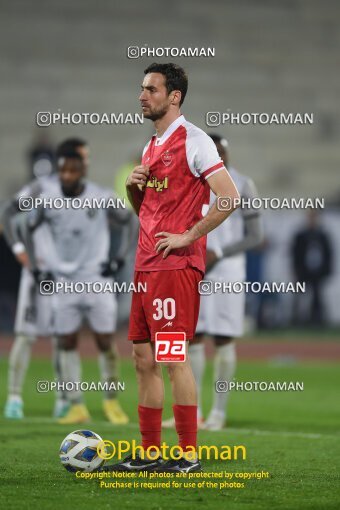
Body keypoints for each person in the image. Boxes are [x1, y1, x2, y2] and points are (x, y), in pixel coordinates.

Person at [103, 63, 240, 473]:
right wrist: (132, 190)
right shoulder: (151, 145)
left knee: (173, 356)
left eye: (151, 89)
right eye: (141, 89)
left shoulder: (194, 141)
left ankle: (187, 454)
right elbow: (147, 213)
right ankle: (148, 453)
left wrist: (187, 236)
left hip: (175, 267)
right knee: (143, 359)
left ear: (174, 96)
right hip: (145, 265)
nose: (142, 96)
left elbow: (229, 197)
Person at [22, 148, 134, 424]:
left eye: (71, 170)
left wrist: (118, 258)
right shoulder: (49, 199)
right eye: (62, 171)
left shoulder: (101, 196)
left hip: (97, 280)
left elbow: (131, 221)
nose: (66, 176)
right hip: (64, 282)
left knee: (105, 341)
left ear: (83, 171)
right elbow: (27, 226)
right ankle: (76, 405)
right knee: (66, 341)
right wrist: (37, 266)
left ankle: (111, 401)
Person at [189, 134, 263, 431]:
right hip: (196, 269)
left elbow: (255, 236)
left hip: (228, 272)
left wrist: (219, 252)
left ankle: (218, 413)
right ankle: (192, 413)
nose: (219, 157)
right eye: (214, 152)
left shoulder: (244, 184)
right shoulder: (195, 183)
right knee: (192, 338)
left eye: (222, 152)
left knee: (222, 339)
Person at [291, 209, 332, 325]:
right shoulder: (301, 235)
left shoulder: (323, 235)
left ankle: (317, 321)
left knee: (317, 297)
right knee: (300, 297)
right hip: (303, 271)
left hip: (318, 272)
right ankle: (297, 320)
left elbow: (328, 254)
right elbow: (296, 254)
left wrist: (326, 270)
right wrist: (296, 270)